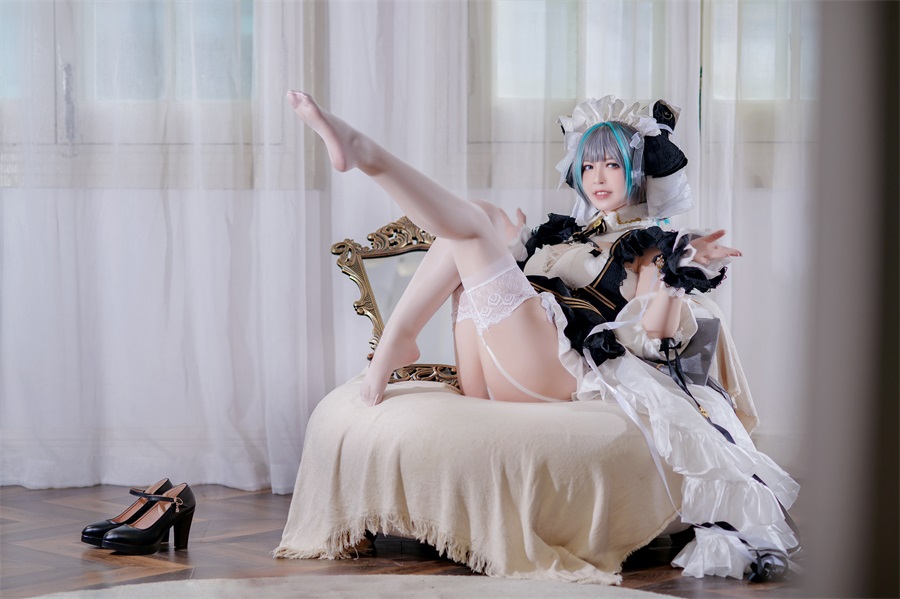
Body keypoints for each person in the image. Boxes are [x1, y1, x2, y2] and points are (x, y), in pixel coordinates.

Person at [287, 91, 799, 580]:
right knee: (483, 217)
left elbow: (654, 336)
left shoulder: (653, 247)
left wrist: (676, 276)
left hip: (554, 373)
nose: (598, 177)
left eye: (613, 165)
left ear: (639, 173)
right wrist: (513, 251)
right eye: (589, 165)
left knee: (475, 222)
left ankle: (367, 156)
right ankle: (399, 331)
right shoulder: (564, 235)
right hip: (492, 366)